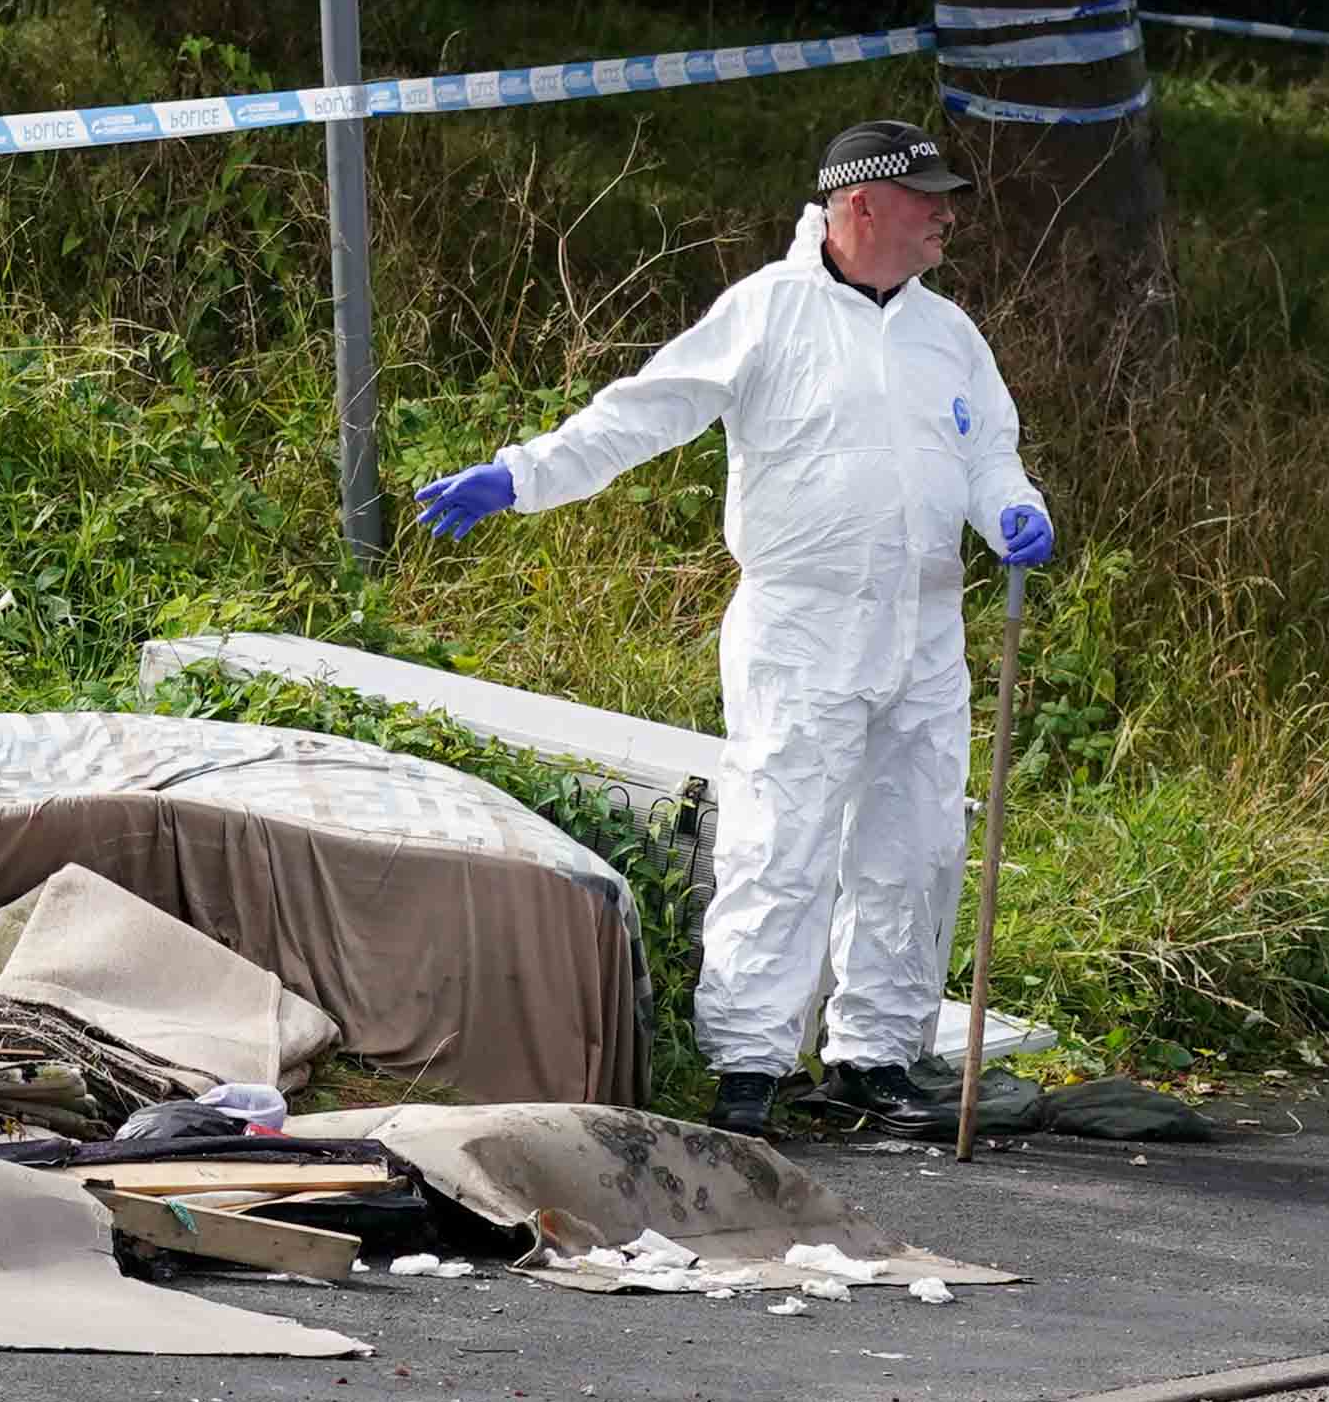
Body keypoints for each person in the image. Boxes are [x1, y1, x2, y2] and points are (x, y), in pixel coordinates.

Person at [414, 116, 1053, 1138]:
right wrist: (523, 473)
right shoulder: (767, 312)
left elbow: (990, 455)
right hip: (801, 626)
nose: (947, 216)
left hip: (926, 629)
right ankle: (749, 1068)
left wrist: (1013, 507)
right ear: (863, 205)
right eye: (929, 198)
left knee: (917, 844)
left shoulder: (950, 335)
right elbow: (643, 411)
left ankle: (876, 1057)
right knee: (780, 838)